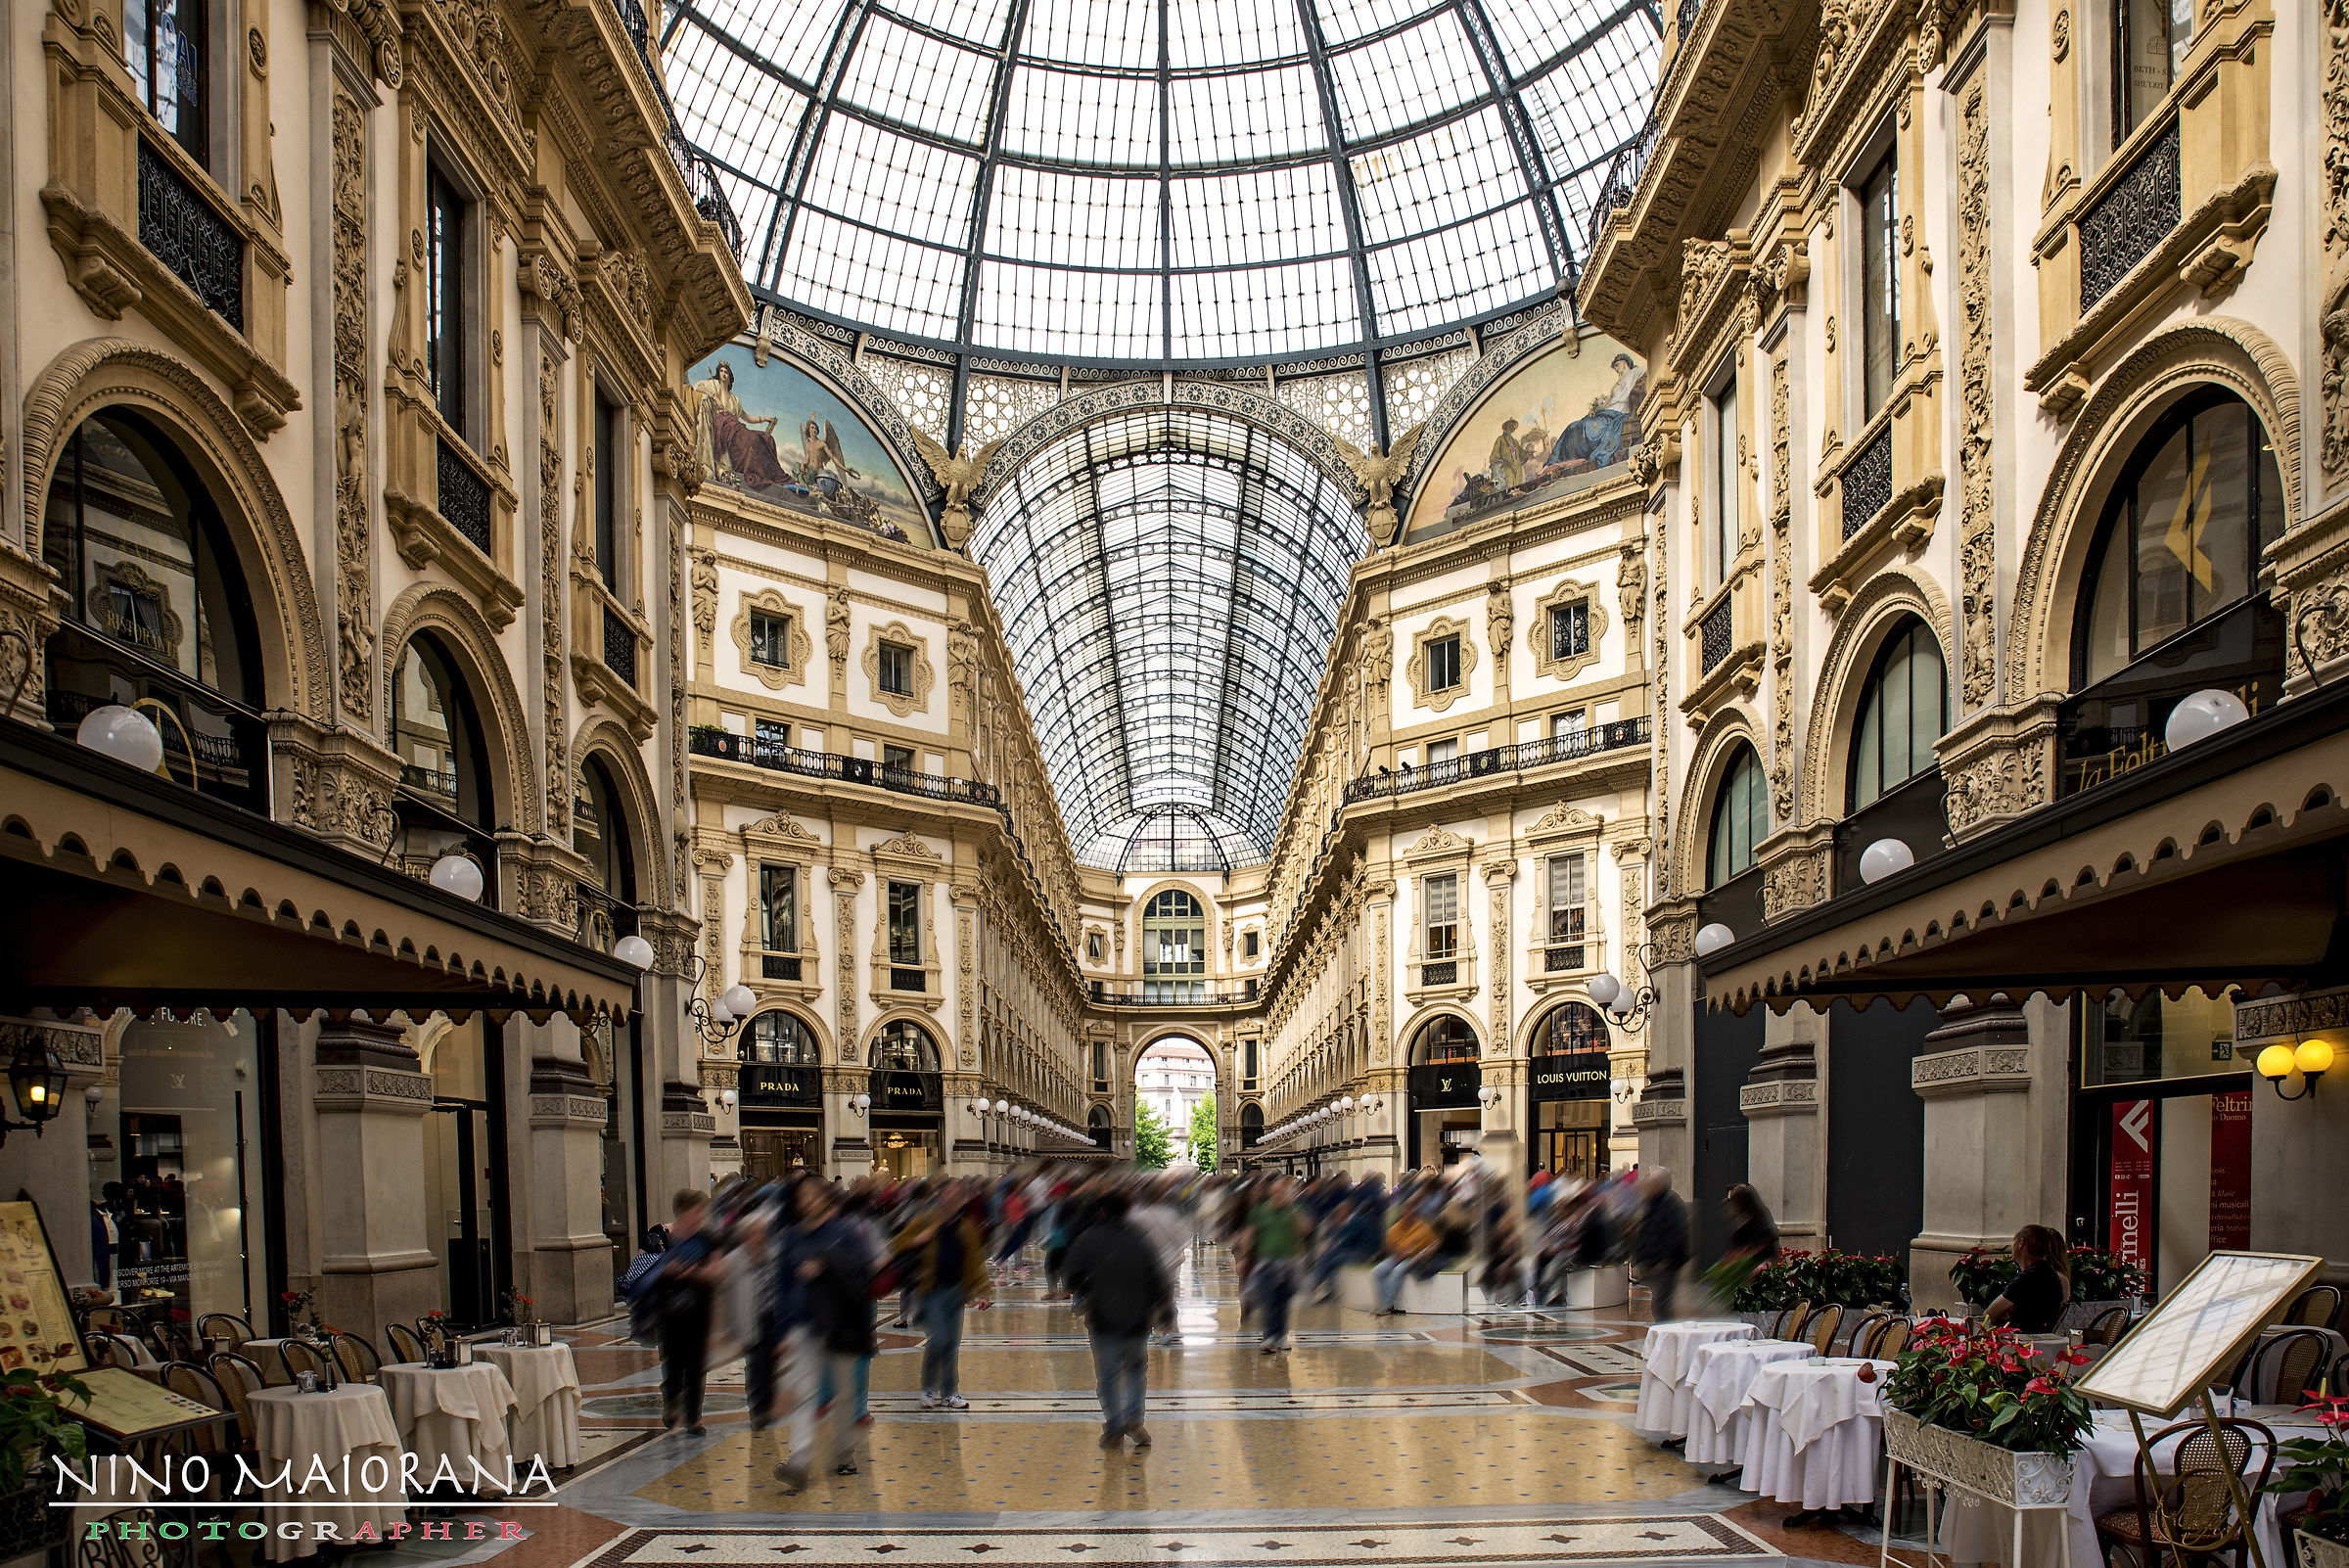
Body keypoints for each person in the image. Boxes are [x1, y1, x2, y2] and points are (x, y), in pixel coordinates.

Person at [772, 1180, 873, 1489]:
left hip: (841, 1324)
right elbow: (782, 1285)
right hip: (805, 1324)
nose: (807, 1201)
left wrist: (825, 1265)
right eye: (802, 1196)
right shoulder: (792, 1237)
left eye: (813, 1195)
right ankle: (799, 1461)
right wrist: (782, 1330)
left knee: (844, 1392)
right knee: (805, 1392)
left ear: (825, 1198)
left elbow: (863, 1271)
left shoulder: (844, 1232)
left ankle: (845, 1450)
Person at [1062, 1190, 1174, 1450]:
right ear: (1127, 1210)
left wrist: (1088, 1289)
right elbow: (1157, 1279)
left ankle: (1114, 1425)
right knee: (1136, 1371)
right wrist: (1166, 1312)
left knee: (1109, 1376)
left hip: (1103, 1317)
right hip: (1137, 1319)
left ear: (1102, 1211)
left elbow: (1071, 1277)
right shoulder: (1140, 1239)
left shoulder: (1088, 1239)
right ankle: (1134, 1418)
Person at [897, 1190, 989, 1409]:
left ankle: (950, 1392)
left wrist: (984, 1291)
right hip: (931, 1291)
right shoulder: (925, 1222)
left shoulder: (965, 1228)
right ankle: (928, 1387)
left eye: (956, 1200)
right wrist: (919, 1239)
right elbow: (897, 1244)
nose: (951, 1204)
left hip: (957, 1291)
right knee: (939, 1339)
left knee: (952, 1344)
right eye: (948, 1199)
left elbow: (975, 1261)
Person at [647, 1191, 725, 1435]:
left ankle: (694, 1417)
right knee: (672, 1360)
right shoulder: (660, 1234)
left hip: (699, 1309)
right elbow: (644, 1266)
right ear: (683, 1210)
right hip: (668, 1311)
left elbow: (716, 1271)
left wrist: (686, 1271)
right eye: (697, 1211)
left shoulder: (708, 1237)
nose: (701, 1216)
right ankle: (671, 1403)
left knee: (696, 1364)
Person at [1244, 1177, 1309, 1354]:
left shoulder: (1293, 1210)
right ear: (1271, 1193)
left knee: (1283, 1301)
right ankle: (1270, 1337)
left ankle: (1281, 1336)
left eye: (1283, 1192)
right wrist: (1244, 1255)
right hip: (1267, 1262)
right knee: (1269, 1299)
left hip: (1289, 1263)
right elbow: (1250, 1233)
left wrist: (1292, 1207)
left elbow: (1305, 1228)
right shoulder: (1260, 1211)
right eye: (1277, 1192)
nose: (1280, 1195)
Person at [1985, 1224, 2071, 1332]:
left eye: (2014, 1242)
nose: (2012, 1247)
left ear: (2022, 1243)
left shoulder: (2027, 1277)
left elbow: (1989, 1315)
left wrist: (2005, 1311)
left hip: (2019, 1341)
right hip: (2039, 1340)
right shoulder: (2050, 1273)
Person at [1634, 1168, 1691, 1322]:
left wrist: (1665, 1261)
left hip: (1665, 1264)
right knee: (1659, 1304)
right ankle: (1664, 1333)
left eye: (1649, 1182)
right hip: (1655, 1262)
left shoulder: (1670, 1204)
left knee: (1661, 1304)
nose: (1646, 1185)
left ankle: (1666, 1335)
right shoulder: (1653, 1202)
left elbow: (1676, 1235)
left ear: (1659, 1183)